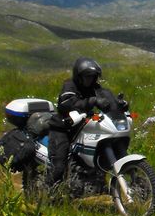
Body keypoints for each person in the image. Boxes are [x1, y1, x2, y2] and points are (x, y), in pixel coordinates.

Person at [45, 57, 120, 192]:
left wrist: (119, 105)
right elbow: (66, 103)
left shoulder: (95, 88)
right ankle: (50, 195)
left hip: (82, 125)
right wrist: (92, 101)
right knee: (59, 166)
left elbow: (106, 99)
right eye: (87, 77)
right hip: (63, 127)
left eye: (93, 77)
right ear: (79, 76)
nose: (90, 80)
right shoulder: (69, 86)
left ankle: (95, 180)